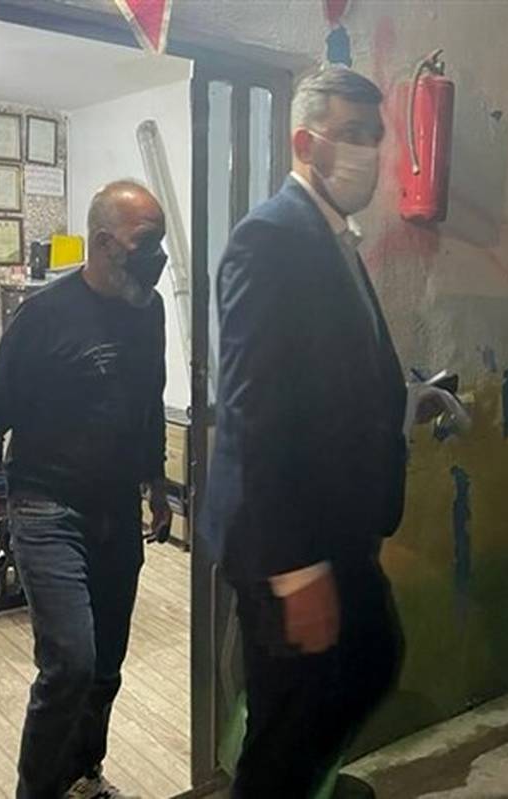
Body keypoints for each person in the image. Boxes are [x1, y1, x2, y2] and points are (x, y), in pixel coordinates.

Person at [202, 66, 408, 799]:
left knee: (368, 660)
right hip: (289, 542)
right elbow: (255, 409)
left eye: (374, 136)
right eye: (350, 133)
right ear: (303, 142)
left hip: (336, 529)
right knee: (289, 728)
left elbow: (329, 377)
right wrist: (296, 570)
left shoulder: (331, 238)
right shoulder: (271, 238)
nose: (367, 151)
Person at [0, 180, 173, 799]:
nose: (157, 256)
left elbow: (149, 402)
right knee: (70, 664)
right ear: (103, 243)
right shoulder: (45, 315)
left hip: (116, 510)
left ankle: (82, 775)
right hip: (46, 508)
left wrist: (157, 483)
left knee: (105, 669)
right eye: (145, 242)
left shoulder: (149, 309)